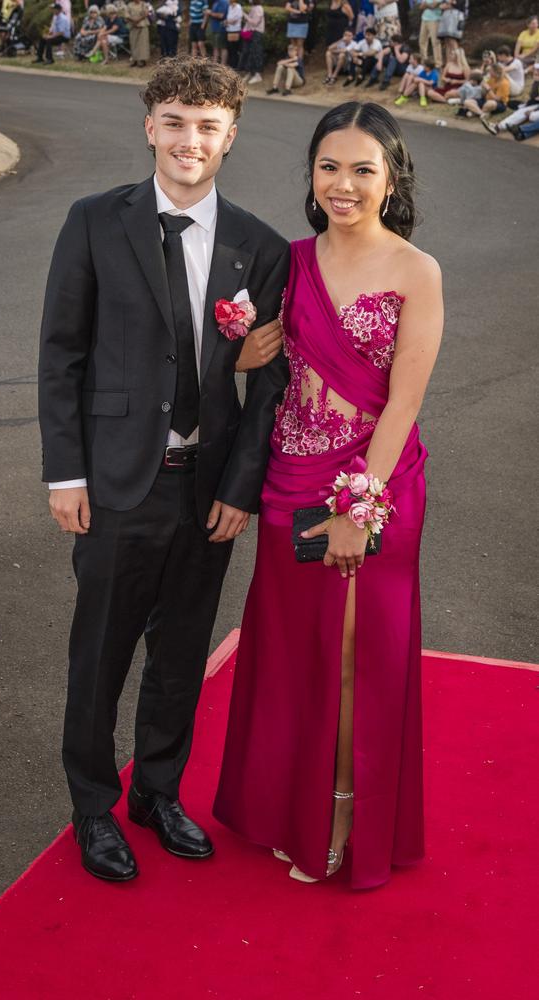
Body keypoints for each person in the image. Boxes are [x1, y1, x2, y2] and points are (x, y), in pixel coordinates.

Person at [38, 56, 289, 884]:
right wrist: (64, 474)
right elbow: (62, 354)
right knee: (101, 651)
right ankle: (91, 805)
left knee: (181, 652)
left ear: (231, 138)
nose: (190, 140)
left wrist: (241, 488)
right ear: (151, 126)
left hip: (206, 487)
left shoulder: (260, 247)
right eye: (175, 122)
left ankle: (156, 791)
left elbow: (270, 386)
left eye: (207, 127)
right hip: (115, 482)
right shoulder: (93, 221)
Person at [214, 100, 443, 889]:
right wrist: (240, 359)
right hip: (290, 481)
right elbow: (267, 367)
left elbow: (404, 404)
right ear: (311, 174)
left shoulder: (418, 272)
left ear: (391, 178)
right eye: (329, 167)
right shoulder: (289, 261)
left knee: (353, 660)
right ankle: (289, 809)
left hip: (373, 488)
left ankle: (344, 815)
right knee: (292, 657)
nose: (343, 185)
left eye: (363, 170)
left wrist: (358, 506)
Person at [481, 62, 539, 136]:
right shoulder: (536, 83)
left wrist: (533, 110)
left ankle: (521, 130)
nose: (536, 72)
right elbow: (533, 99)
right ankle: (497, 127)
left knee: (532, 116)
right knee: (520, 111)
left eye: (538, 70)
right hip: (535, 104)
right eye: (536, 70)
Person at [238, 0, 264, 84]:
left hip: (256, 33)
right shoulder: (254, 8)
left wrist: (244, 15)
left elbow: (255, 22)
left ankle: (257, 74)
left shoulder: (259, 8)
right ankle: (250, 73)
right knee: (249, 53)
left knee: (256, 53)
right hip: (251, 33)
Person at [418, 0, 442, 69]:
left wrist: (426, 4)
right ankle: (424, 62)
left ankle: (438, 64)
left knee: (435, 42)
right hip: (424, 19)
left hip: (434, 19)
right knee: (422, 41)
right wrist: (428, 5)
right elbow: (421, 7)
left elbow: (433, 6)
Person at [125, 0, 150, 66]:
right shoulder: (129, 5)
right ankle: (134, 60)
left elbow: (146, 13)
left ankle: (141, 60)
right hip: (133, 26)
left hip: (142, 26)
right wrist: (133, 20)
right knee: (133, 43)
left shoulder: (143, 4)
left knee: (142, 44)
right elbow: (126, 14)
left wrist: (138, 19)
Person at [223, 0, 242, 68]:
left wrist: (227, 22)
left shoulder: (238, 7)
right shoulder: (230, 7)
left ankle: (235, 67)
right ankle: (231, 66)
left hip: (235, 31)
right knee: (230, 49)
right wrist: (227, 22)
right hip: (229, 30)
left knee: (234, 50)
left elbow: (235, 20)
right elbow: (229, 19)